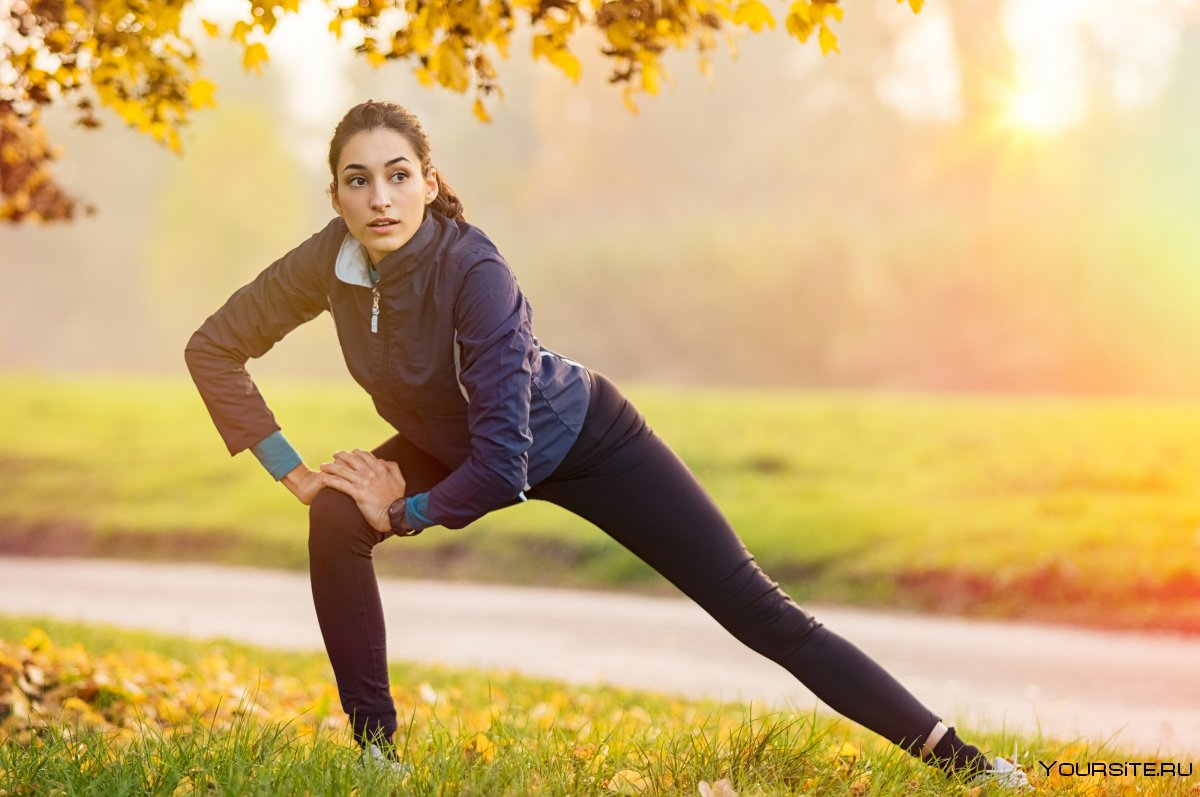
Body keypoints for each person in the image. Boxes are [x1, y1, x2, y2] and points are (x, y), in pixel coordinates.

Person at [184, 99, 1030, 789]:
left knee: (758, 610)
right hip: (455, 439)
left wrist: (402, 511)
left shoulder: (475, 270)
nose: (380, 197)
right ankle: (376, 755)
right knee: (335, 516)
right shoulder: (330, 261)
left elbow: (504, 464)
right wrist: (297, 473)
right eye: (358, 180)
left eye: (399, 175)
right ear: (335, 196)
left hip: (583, 436)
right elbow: (214, 347)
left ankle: (965, 762)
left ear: (429, 184)